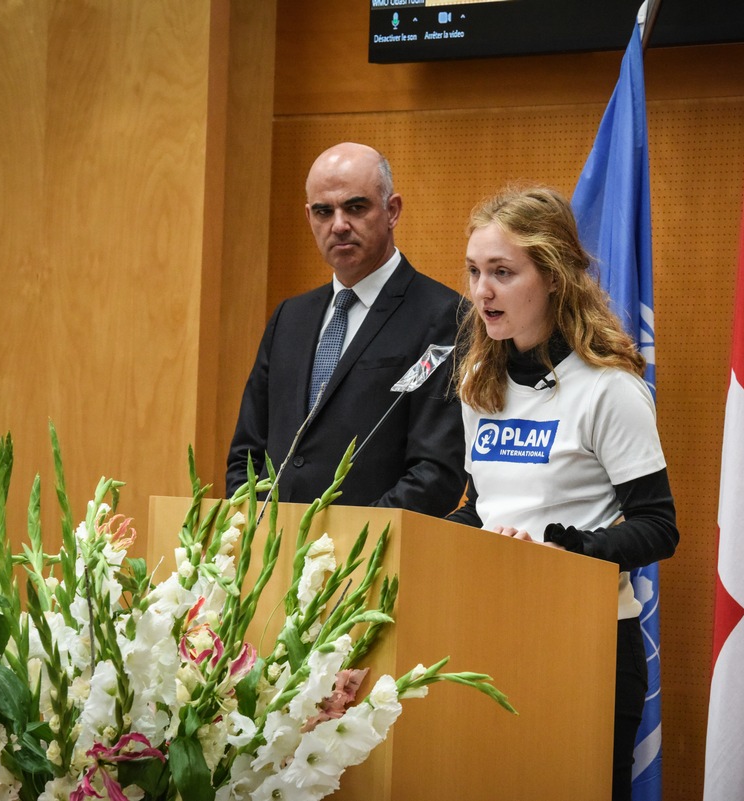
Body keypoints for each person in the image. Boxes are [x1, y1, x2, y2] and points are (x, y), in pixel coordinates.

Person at [447, 186, 678, 801]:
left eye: (502, 272)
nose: (481, 292)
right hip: (491, 632)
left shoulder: (608, 389)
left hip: (587, 648)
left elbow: (658, 526)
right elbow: (486, 505)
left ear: (551, 277)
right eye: (474, 272)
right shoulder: (477, 381)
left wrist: (556, 550)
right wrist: (457, 536)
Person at [226, 142, 465, 515]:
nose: (338, 225)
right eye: (324, 212)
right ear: (309, 218)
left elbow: (435, 473)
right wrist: (256, 535)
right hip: (273, 557)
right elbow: (247, 454)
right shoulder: (290, 317)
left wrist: (349, 543)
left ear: (392, 210)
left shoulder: (444, 316)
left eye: (355, 207)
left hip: (372, 560)